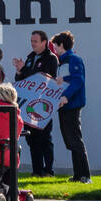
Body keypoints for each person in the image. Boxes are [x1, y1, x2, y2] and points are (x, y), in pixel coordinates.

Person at [13, 29, 59, 175]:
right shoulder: (30, 58)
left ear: (44, 42)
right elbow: (21, 80)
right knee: (32, 139)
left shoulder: (51, 58)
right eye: (31, 41)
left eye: (35, 41)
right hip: (29, 105)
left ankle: (48, 170)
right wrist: (19, 71)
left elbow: (44, 79)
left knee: (45, 138)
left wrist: (24, 69)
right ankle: (37, 170)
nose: (32, 44)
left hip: (44, 104)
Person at [50, 30, 90, 183]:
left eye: (55, 46)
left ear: (61, 45)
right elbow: (69, 78)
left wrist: (66, 96)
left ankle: (85, 175)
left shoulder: (74, 59)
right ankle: (78, 175)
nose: (54, 49)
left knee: (75, 139)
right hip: (64, 106)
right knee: (70, 140)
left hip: (72, 104)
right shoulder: (63, 61)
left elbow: (78, 80)